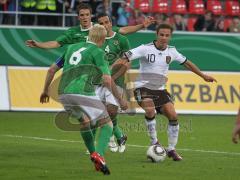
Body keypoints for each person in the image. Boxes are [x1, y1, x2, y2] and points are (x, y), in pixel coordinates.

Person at [116, 23, 217, 161]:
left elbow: (187, 63)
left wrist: (203, 75)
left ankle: (171, 149)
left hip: (160, 90)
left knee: (173, 116)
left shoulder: (172, 51)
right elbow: (125, 57)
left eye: (167, 35)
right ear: (157, 35)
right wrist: (110, 69)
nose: (164, 37)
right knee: (150, 110)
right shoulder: (145, 48)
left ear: (170, 36)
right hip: (143, 88)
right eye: (161, 34)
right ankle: (154, 143)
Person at [40, 24, 128, 175]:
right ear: (102, 39)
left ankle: (95, 158)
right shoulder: (98, 52)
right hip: (82, 92)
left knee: (85, 121)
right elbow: (107, 80)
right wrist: (120, 99)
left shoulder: (71, 48)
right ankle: (99, 154)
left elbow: (51, 69)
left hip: (63, 93)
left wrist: (45, 90)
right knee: (106, 124)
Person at [25, 3, 155, 49]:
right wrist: (38, 44)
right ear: (78, 17)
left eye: (87, 14)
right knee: (53, 68)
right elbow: (56, 43)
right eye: (82, 15)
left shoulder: (99, 28)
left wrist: (142, 25)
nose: (85, 17)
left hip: (98, 67)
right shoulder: (72, 32)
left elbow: (124, 30)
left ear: (91, 16)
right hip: (79, 66)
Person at [96, 13, 131, 153]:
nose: (104, 25)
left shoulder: (121, 40)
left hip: (116, 81)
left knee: (111, 111)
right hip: (97, 81)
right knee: (97, 114)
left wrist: (112, 76)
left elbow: (128, 63)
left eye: (106, 22)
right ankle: (119, 135)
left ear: (111, 23)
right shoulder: (95, 40)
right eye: (101, 23)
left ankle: (111, 136)